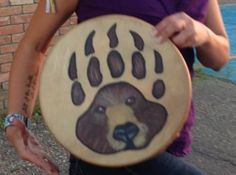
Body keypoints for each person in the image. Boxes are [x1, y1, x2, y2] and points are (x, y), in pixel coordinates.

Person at [4, 0, 229, 174]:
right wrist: (15, 121)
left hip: (169, 137)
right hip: (102, 150)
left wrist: (205, 35)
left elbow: (219, 58)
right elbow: (33, 46)